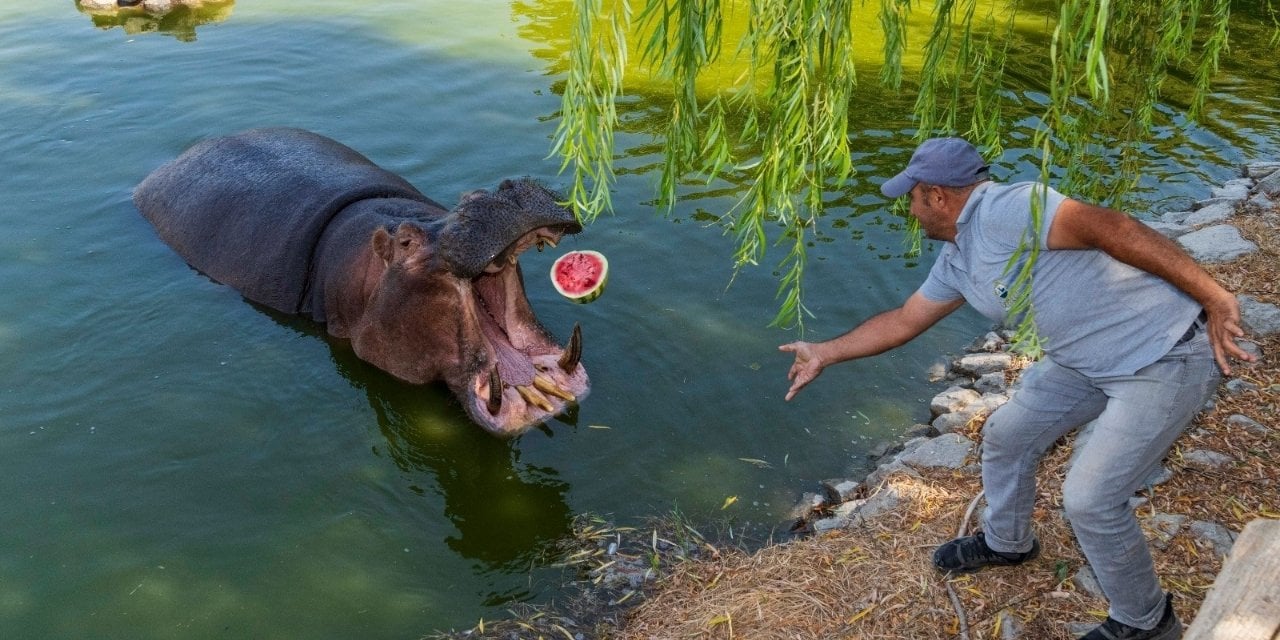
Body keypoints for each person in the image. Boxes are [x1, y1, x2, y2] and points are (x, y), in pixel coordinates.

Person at [779, 137, 1256, 640]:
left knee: (1091, 498)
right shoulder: (959, 256)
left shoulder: (1007, 209)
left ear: (938, 195)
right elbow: (903, 320)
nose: (911, 210)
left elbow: (1115, 228)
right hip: (1081, 362)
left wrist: (1216, 297)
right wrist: (826, 352)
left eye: (913, 197)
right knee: (1007, 435)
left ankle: (1145, 621)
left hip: (1162, 355)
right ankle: (1009, 543)